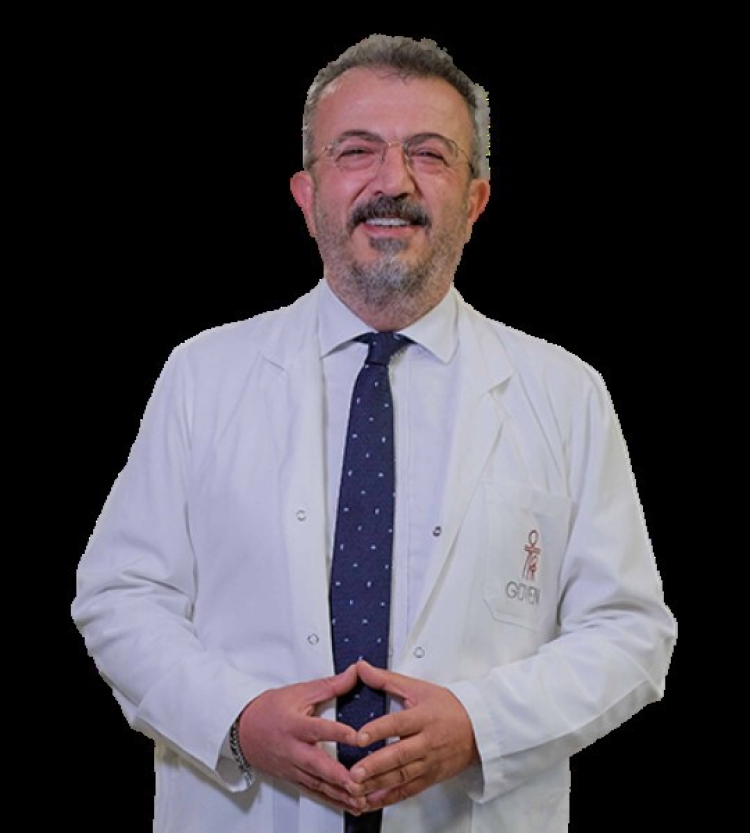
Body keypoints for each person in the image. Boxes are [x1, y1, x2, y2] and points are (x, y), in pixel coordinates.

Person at [72, 34, 677, 833]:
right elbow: (120, 594)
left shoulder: (566, 393)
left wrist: (481, 725)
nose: (393, 182)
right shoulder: (202, 375)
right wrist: (238, 719)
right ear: (307, 193)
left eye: (429, 154)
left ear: (476, 199)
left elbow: (630, 630)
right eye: (356, 151)